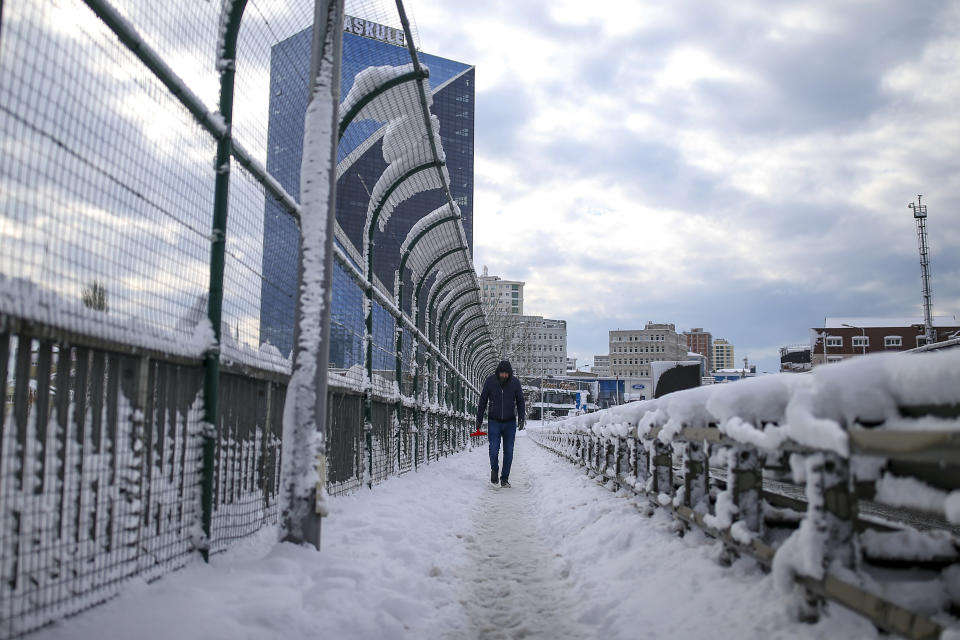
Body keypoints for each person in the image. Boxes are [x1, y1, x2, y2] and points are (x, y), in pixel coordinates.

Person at [476, 360, 525, 488]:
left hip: (510, 423)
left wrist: (521, 418)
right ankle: (494, 470)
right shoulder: (490, 381)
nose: (504, 376)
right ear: (498, 372)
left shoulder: (515, 383)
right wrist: (479, 419)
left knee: (508, 452)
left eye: (506, 374)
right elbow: (483, 400)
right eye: (502, 373)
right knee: (493, 450)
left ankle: (504, 478)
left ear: (509, 373)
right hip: (494, 421)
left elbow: (520, 401)